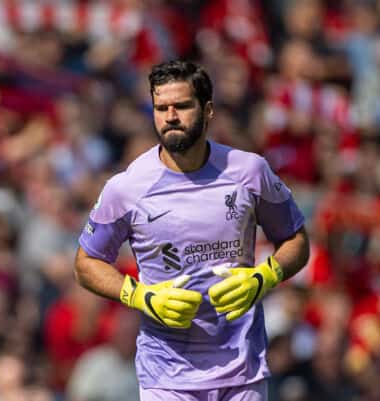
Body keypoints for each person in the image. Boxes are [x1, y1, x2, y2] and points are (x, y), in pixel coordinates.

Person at [74, 60, 309, 401]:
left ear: (208, 109)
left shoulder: (249, 172)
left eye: (182, 106)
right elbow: (86, 263)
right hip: (167, 377)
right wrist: (140, 296)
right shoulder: (126, 187)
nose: (170, 116)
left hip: (243, 372)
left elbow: (296, 239)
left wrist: (265, 277)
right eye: (160, 108)